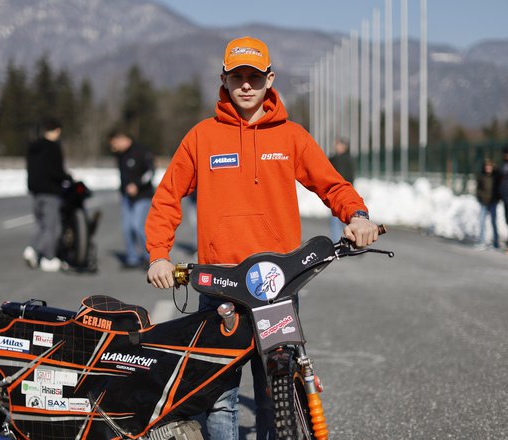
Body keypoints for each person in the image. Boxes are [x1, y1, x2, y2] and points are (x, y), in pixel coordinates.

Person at [145, 36, 380, 439]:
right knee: (220, 396)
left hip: (277, 285)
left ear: (270, 79)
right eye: (238, 77)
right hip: (221, 285)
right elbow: (168, 197)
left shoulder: (291, 136)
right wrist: (158, 254)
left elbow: (332, 185)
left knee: (277, 389)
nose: (247, 85)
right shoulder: (202, 137)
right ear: (225, 79)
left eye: (255, 76)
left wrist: (357, 216)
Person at [23, 117, 72, 272]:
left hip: (36, 190)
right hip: (51, 191)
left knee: (40, 223)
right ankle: (48, 258)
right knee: (52, 226)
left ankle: (31, 249)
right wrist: (67, 178)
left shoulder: (33, 146)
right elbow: (55, 170)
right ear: (57, 130)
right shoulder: (53, 147)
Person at [109, 128, 155, 268]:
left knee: (138, 226)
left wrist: (137, 185)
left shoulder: (141, 150)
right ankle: (132, 258)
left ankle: (150, 257)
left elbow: (150, 172)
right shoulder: (120, 155)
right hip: (126, 197)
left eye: (115, 143)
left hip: (142, 196)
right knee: (126, 228)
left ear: (122, 139)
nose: (113, 147)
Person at [328, 138, 356, 241]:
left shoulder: (338, 159)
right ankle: (353, 240)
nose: (336, 147)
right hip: (344, 191)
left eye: (339, 145)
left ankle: (338, 243)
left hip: (341, 192)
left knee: (337, 219)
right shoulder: (346, 158)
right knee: (342, 219)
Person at [475, 158, 500, 249]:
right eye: (486, 166)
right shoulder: (481, 176)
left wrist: (497, 198)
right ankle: (482, 241)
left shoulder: (496, 176)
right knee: (482, 221)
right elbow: (478, 189)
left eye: (489, 166)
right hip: (484, 202)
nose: (488, 168)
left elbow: (499, 188)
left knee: (493, 222)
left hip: (493, 201)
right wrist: (480, 197)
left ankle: (496, 242)